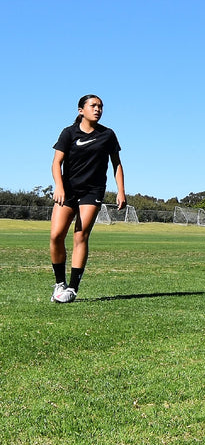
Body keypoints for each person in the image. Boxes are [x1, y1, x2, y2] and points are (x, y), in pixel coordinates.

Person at [50, 94, 126, 303]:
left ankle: (73, 288)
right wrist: (59, 186)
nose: (98, 109)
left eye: (100, 106)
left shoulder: (108, 135)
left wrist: (121, 191)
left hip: (92, 191)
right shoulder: (69, 133)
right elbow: (56, 163)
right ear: (80, 110)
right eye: (93, 105)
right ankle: (59, 283)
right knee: (56, 235)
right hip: (68, 190)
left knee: (80, 235)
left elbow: (116, 164)